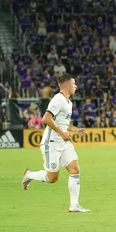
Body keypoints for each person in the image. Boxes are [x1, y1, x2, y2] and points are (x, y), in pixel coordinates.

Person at [21, 74, 90, 212]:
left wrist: (76, 130)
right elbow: (46, 119)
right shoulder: (58, 99)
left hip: (64, 143)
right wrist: (61, 132)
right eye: (74, 84)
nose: (75, 86)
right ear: (67, 86)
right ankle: (29, 175)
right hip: (51, 143)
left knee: (75, 169)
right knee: (52, 178)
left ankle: (74, 205)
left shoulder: (68, 102)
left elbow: (64, 123)